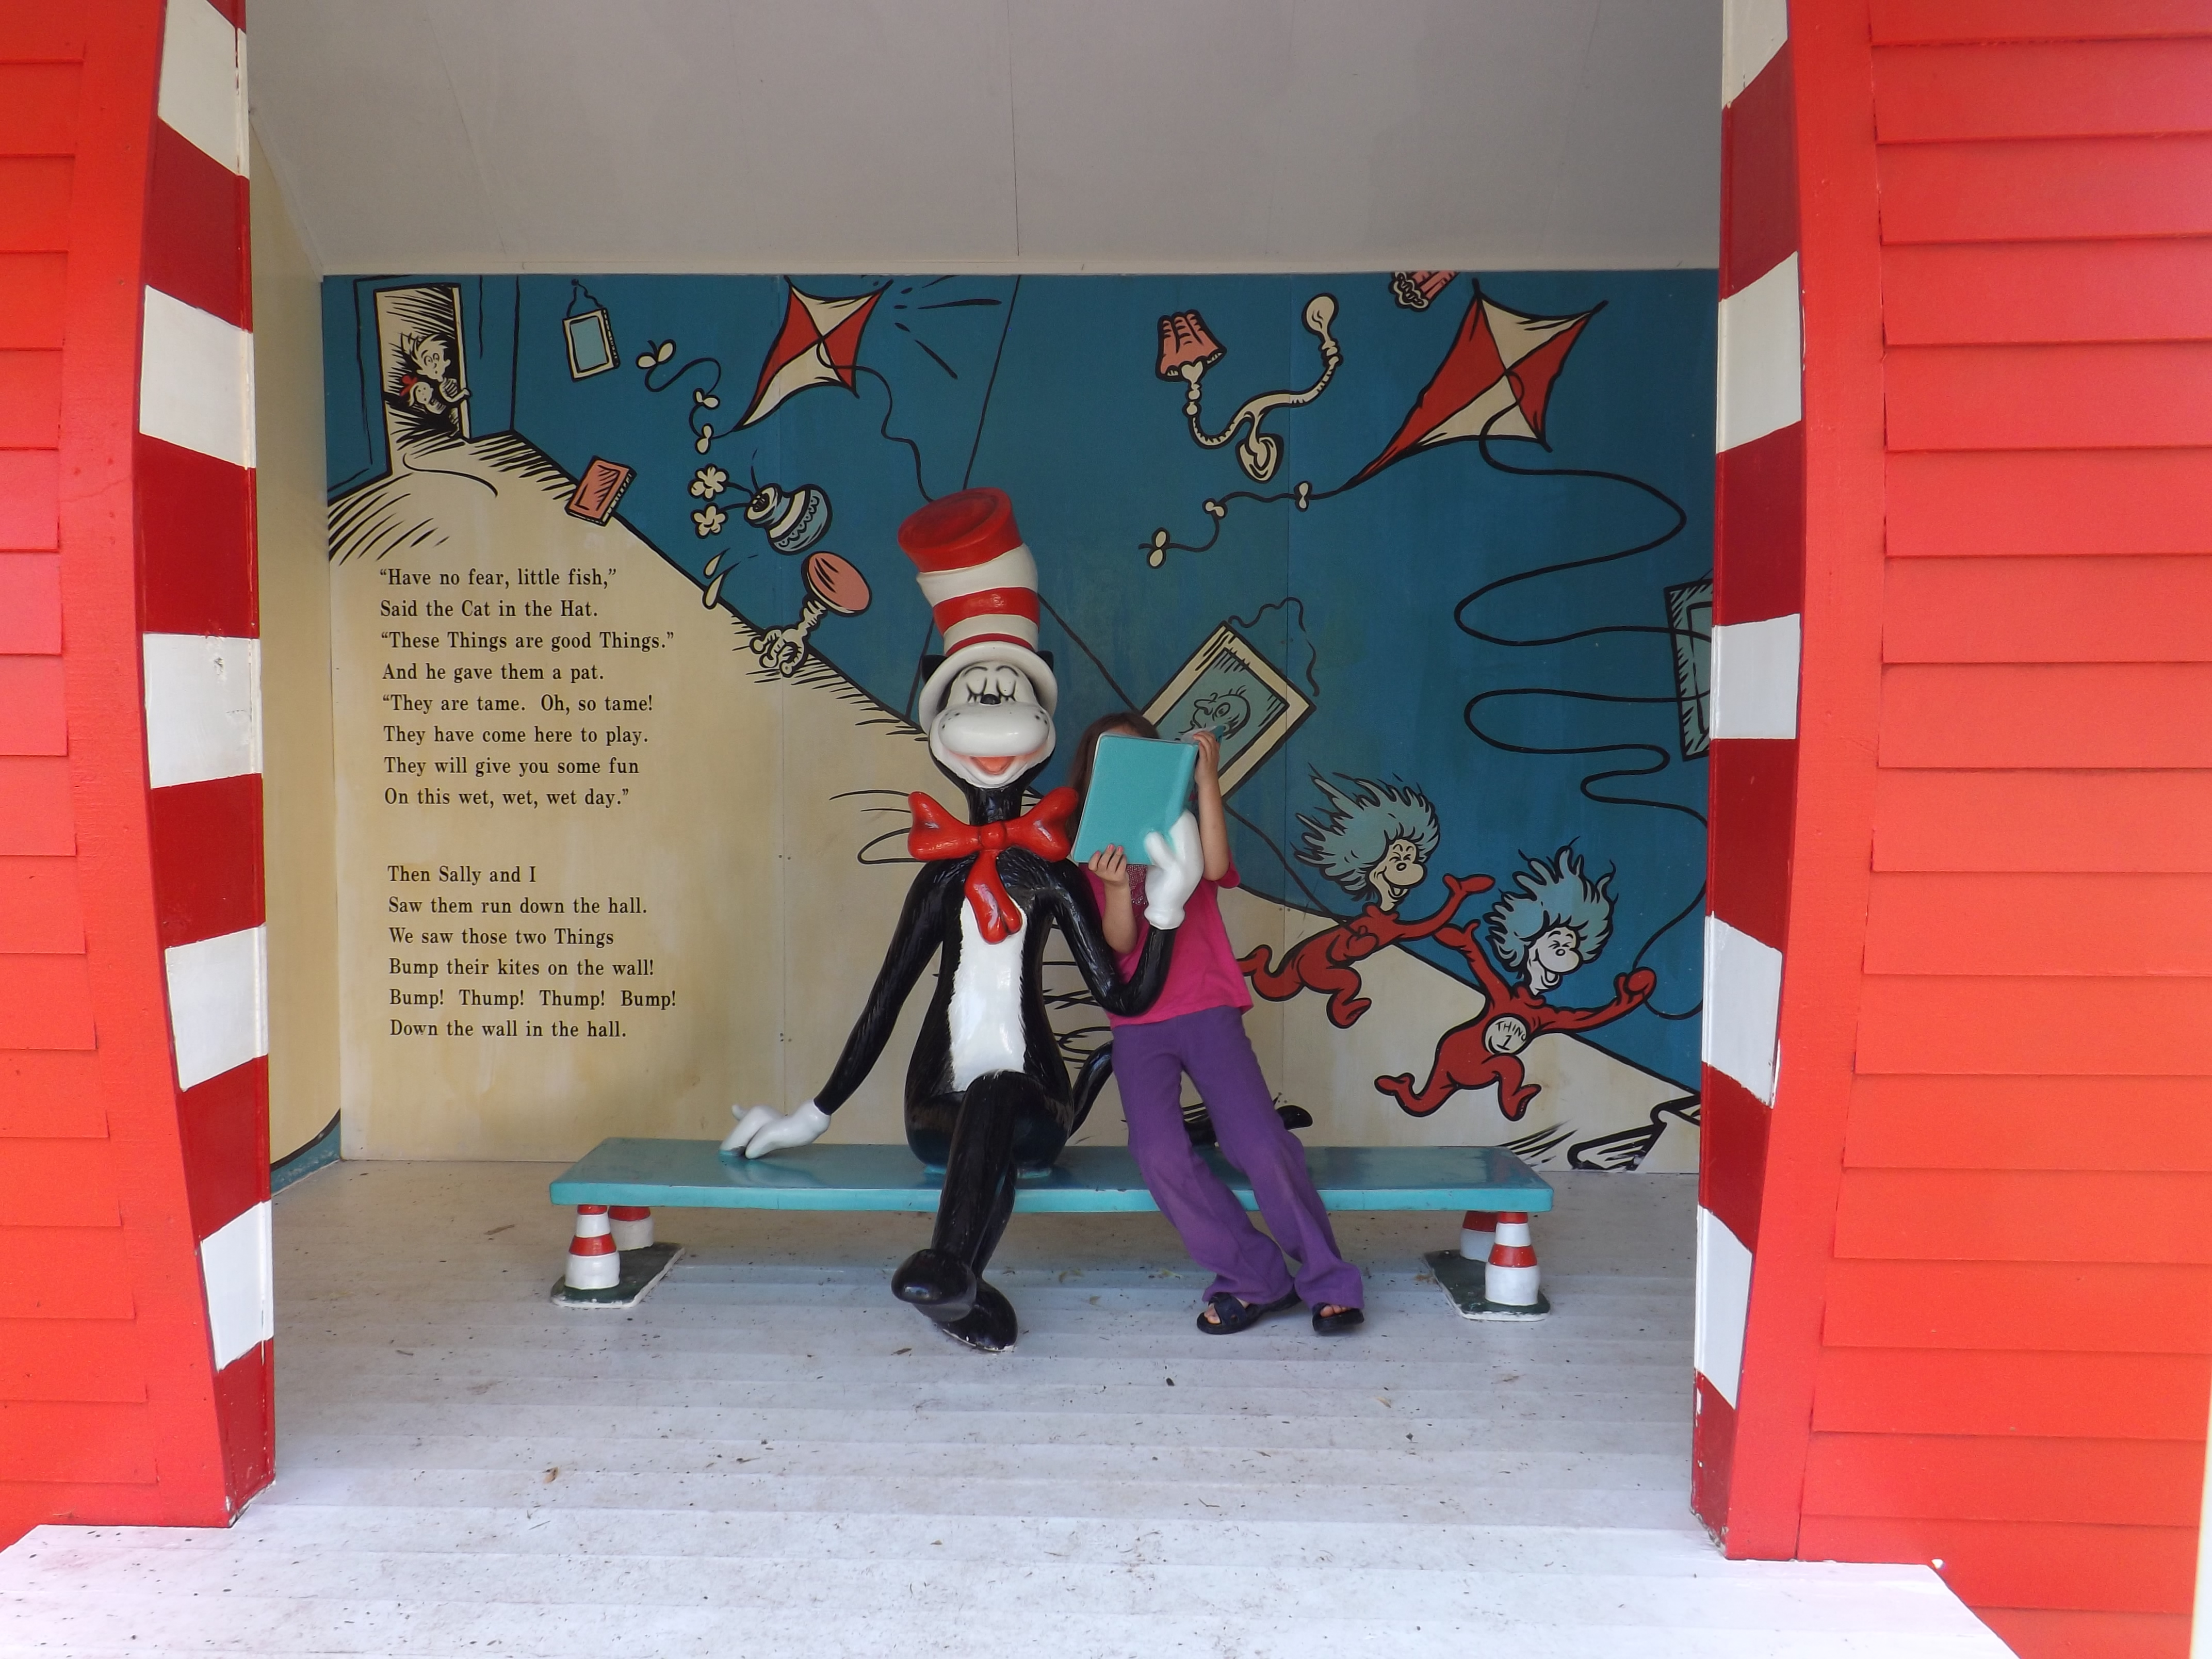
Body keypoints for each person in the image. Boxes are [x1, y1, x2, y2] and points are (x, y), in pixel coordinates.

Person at [1072, 711, 1365, 1335]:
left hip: (1207, 1007)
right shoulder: (1092, 853)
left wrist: (1207, 780)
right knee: (1158, 1154)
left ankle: (1328, 1278)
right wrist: (1117, 887)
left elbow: (1212, 868)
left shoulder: (1181, 828)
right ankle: (1254, 1277)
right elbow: (1118, 945)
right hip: (1139, 1025)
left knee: (1259, 1142)